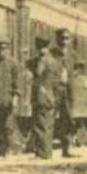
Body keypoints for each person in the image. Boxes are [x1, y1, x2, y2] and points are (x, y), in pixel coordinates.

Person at [29, 37, 59, 159]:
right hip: (51, 96)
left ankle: (41, 153)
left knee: (40, 124)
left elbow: (38, 73)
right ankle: (47, 152)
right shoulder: (54, 61)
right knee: (48, 125)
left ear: (38, 47)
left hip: (40, 95)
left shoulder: (42, 60)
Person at [51, 27, 76, 158]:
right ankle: (46, 150)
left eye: (66, 38)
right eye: (62, 38)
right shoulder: (52, 54)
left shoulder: (72, 55)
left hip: (68, 90)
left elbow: (76, 69)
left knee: (67, 119)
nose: (64, 41)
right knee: (50, 117)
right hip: (55, 89)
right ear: (57, 39)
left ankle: (67, 149)